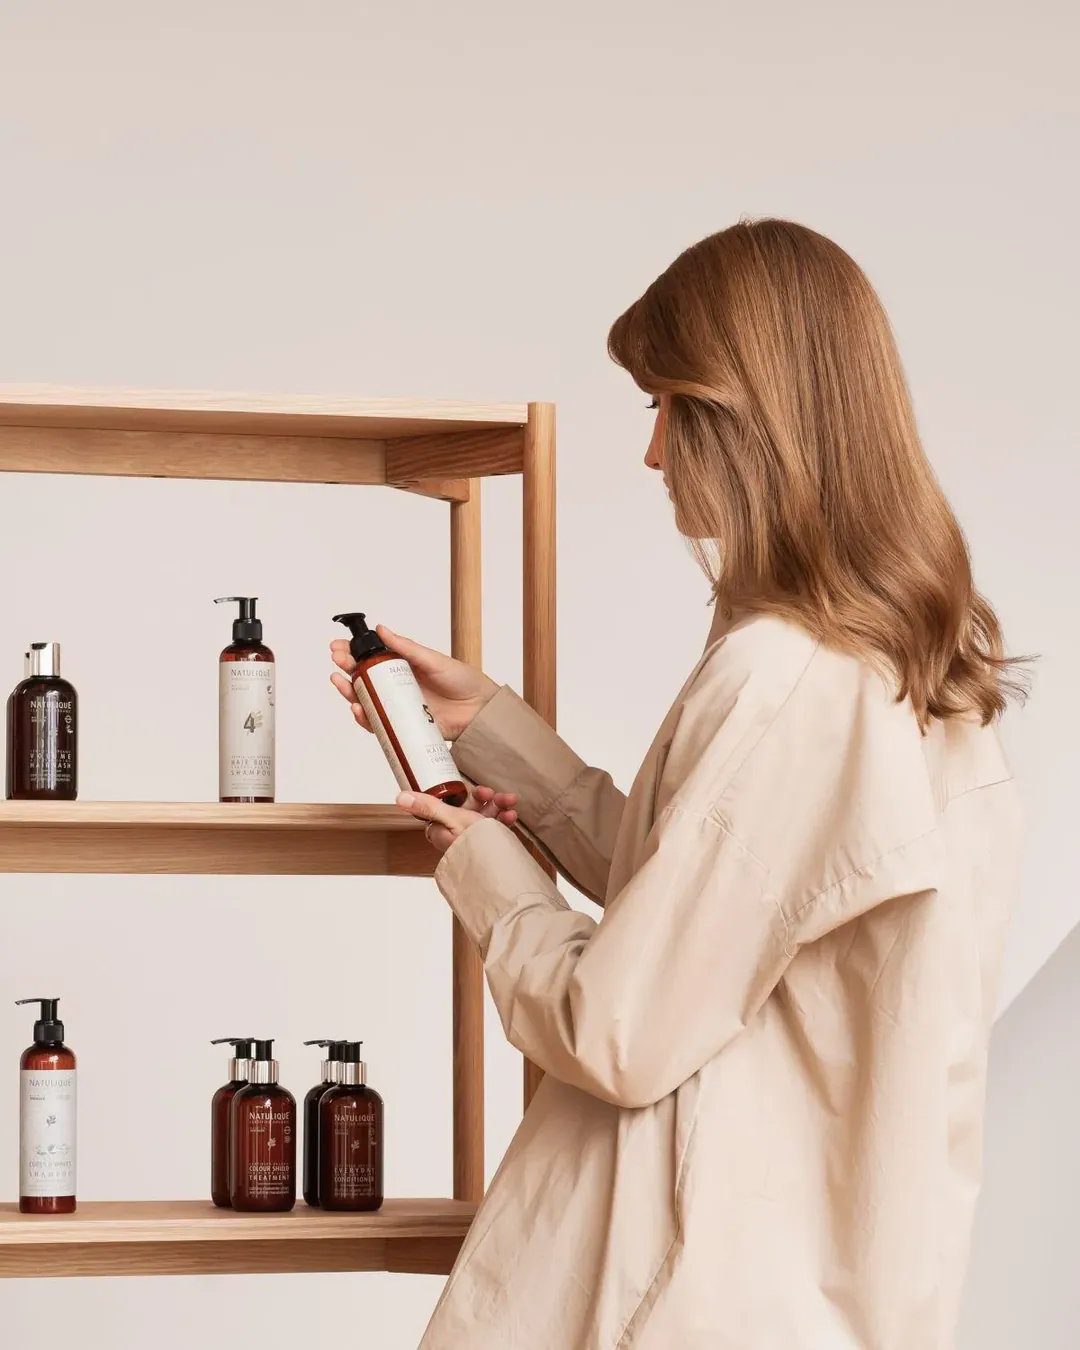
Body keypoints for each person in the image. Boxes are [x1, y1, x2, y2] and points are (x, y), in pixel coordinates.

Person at [331, 219, 1026, 1350]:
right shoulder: (901, 668)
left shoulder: (786, 680)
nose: (653, 454)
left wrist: (490, 877)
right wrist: (489, 727)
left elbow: (617, 1027)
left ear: (744, 420)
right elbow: (719, 906)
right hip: (817, 1292)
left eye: (665, 406)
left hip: (705, 1292)